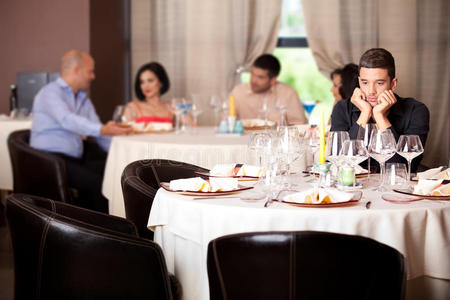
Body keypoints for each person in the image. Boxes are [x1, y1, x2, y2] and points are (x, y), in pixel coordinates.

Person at [30, 49, 132, 213]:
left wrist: (124, 152)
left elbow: (98, 133)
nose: (93, 76)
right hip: (49, 160)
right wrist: (103, 129)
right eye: (90, 71)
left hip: (74, 158)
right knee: (97, 182)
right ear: (76, 70)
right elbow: (67, 120)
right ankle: (103, 231)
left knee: (114, 171)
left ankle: (111, 222)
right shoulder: (49, 93)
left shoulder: (83, 99)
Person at [331, 48, 429, 172]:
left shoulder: (416, 110)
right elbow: (340, 164)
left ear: (393, 84)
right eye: (365, 82)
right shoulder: (342, 108)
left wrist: (380, 116)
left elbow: (402, 168)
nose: (371, 91)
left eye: (379, 83)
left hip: (395, 189)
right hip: (354, 187)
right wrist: (365, 114)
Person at [230, 54, 307, 125]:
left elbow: (299, 125)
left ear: (273, 80)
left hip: (275, 139)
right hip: (243, 139)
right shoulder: (238, 92)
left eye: (260, 77)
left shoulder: (288, 93)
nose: (253, 80)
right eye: (252, 74)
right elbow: (226, 122)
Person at [123, 62, 194, 126]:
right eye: (142, 82)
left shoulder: (171, 107)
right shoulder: (132, 107)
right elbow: (124, 131)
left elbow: (194, 127)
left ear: (161, 83)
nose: (145, 86)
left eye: (150, 81)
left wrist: (180, 109)